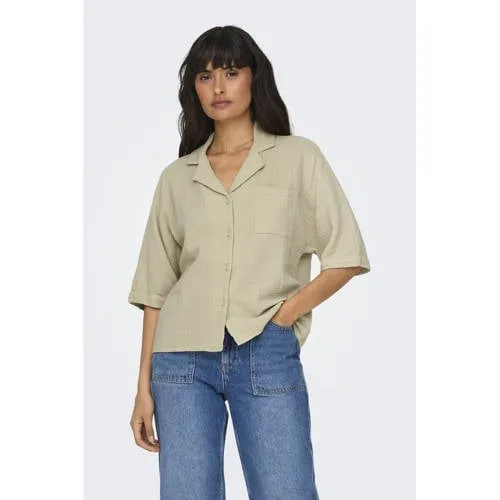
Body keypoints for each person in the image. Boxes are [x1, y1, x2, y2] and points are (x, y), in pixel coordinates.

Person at [128, 25, 371, 499]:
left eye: (230, 72)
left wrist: (285, 315)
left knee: (287, 491)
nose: (218, 87)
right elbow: (156, 287)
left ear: (253, 78)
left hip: (265, 347)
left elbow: (346, 255)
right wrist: (143, 386)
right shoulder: (177, 178)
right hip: (180, 360)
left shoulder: (298, 158)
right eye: (205, 76)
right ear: (193, 88)